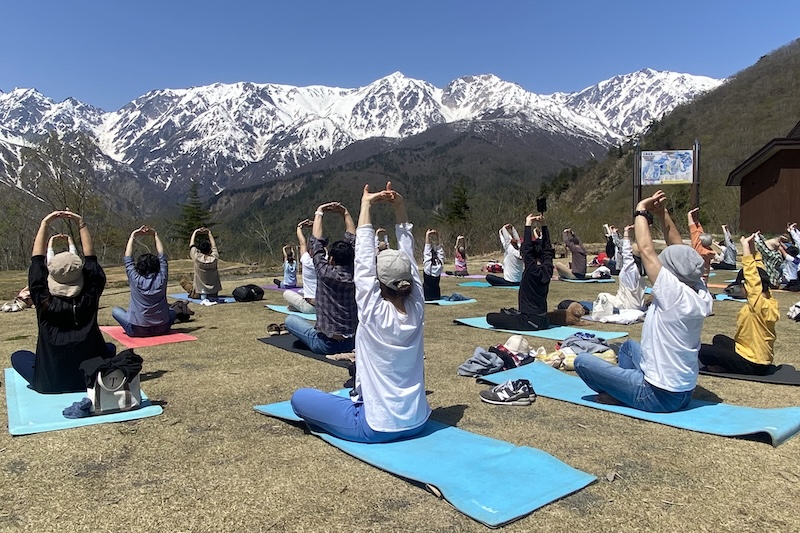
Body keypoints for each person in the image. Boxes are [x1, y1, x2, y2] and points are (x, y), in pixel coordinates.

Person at [291, 182, 430, 443]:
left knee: (299, 398)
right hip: (418, 421)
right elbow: (407, 258)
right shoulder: (417, 307)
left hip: (375, 426)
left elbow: (364, 261)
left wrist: (366, 204)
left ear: (380, 282)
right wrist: (400, 209)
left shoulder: (372, 310)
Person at [574, 190, 712, 413]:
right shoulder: (699, 291)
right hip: (683, 391)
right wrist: (663, 214)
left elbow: (646, 250)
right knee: (628, 348)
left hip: (656, 395)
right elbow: (680, 252)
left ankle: (625, 395)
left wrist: (641, 211)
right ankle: (625, 389)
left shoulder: (674, 294)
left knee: (582, 362)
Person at [11, 210, 115, 393]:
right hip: (89, 379)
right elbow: (91, 260)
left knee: (18, 356)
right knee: (110, 348)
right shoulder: (90, 295)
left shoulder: (43, 300)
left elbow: (36, 262)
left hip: (49, 383)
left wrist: (45, 224)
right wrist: (81, 223)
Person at [282, 201, 357, 355]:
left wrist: (319, 212)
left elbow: (316, 244)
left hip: (326, 344)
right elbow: (353, 241)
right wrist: (345, 213)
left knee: (291, 321)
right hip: (354, 341)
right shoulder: (357, 274)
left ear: (331, 260)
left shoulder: (325, 272)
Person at [699, 233, 778, 374]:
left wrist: (745, 246)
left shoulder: (758, 305)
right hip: (753, 353)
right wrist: (753, 249)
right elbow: (759, 272)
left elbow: (752, 277)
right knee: (719, 339)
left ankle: (724, 366)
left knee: (701, 350)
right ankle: (724, 364)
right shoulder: (768, 299)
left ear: (746, 285)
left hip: (753, 363)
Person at [486, 213, 555, 330]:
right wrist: (543, 225)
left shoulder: (531, 270)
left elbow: (528, 249)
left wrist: (528, 225)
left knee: (490, 317)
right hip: (544, 320)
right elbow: (547, 249)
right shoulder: (548, 269)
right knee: (509, 314)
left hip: (529, 321)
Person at [112, 225, 175, 337]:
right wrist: (155, 235)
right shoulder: (162, 278)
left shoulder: (135, 278)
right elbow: (162, 257)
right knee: (173, 312)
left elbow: (128, 259)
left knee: (116, 311)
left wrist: (133, 236)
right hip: (162, 328)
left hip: (137, 329)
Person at [591, 224, 648, 316]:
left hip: (628, 306)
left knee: (602, 296)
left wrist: (626, 232)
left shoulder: (631, 269)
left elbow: (626, 251)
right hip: (639, 305)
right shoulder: (643, 269)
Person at [284, 219, 317, 314]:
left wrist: (299, 227)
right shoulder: (325, 262)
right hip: (325, 307)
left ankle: (297, 307)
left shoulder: (307, 262)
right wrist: (316, 226)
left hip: (311, 307)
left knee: (286, 293)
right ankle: (296, 306)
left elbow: (302, 243)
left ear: (310, 252)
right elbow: (320, 244)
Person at [183, 227, 221, 299]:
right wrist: (209, 233)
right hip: (213, 293)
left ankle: (191, 291)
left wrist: (195, 232)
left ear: (200, 250)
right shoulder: (214, 258)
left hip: (199, 293)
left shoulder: (197, 258)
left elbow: (191, 245)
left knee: (183, 282)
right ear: (210, 249)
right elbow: (214, 246)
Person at [687, 208, 715, 284]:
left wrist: (689, 216)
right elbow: (700, 232)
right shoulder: (710, 252)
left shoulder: (698, 249)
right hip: (705, 274)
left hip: (696, 275)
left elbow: (693, 230)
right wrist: (696, 220)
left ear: (700, 242)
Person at [423, 228, 444, 301]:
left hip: (426, 295)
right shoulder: (439, 265)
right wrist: (437, 236)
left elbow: (427, 252)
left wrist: (427, 235)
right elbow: (440, 252)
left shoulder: (428, 268)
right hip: (436, 295)